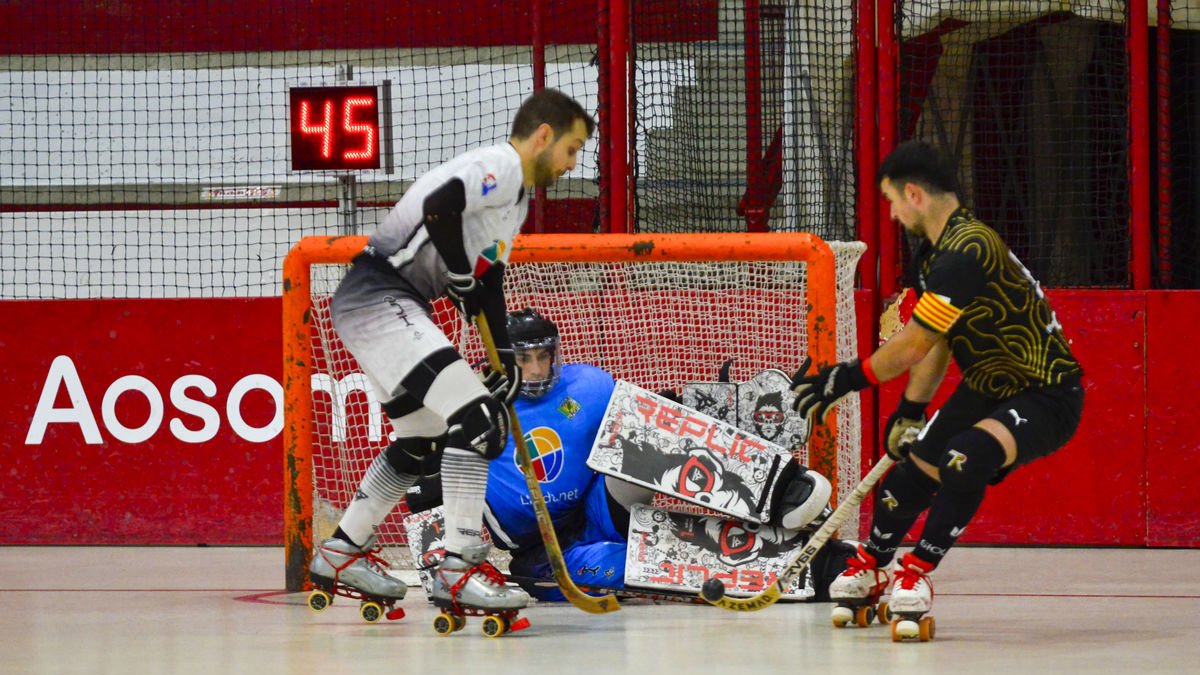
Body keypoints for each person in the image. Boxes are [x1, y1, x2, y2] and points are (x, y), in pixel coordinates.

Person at [307, 89, 596, 616]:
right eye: (572, 149)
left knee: (422, 439)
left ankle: (341, 549)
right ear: (543, 136)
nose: (573, 163)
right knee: (479, 422)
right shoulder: (501, 166)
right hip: (381, 298)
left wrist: (504, 359)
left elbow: (488, 281)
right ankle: (459, 565)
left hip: (381, 304)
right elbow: (440, 208)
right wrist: (460, 273)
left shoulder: (516, 201)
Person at [789, 140, 1085, 624]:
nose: (892, 214)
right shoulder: (934, 255)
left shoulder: (968, 250)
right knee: (907, 478)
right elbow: (938, 343)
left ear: (914, 194)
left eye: (891, 201)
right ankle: (872, 566)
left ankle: (917, 572)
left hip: (1046, 393)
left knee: (963, 459)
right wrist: (910, 410)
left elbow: (912, 344)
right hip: (988, 386)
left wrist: (845, 378)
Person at [408, 308, 856, 602]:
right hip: (544, 551)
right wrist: (440, 561)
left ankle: (781, 491)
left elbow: (650, 423)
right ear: (501, 358)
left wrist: (687, 411)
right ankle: (817, 567)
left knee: (643, 427)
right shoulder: (472, 407)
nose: (539, 368)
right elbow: (422, 487)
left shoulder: (586, 385)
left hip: (597, 506)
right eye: (526, 359)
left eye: (545, 355)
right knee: (656, 559)